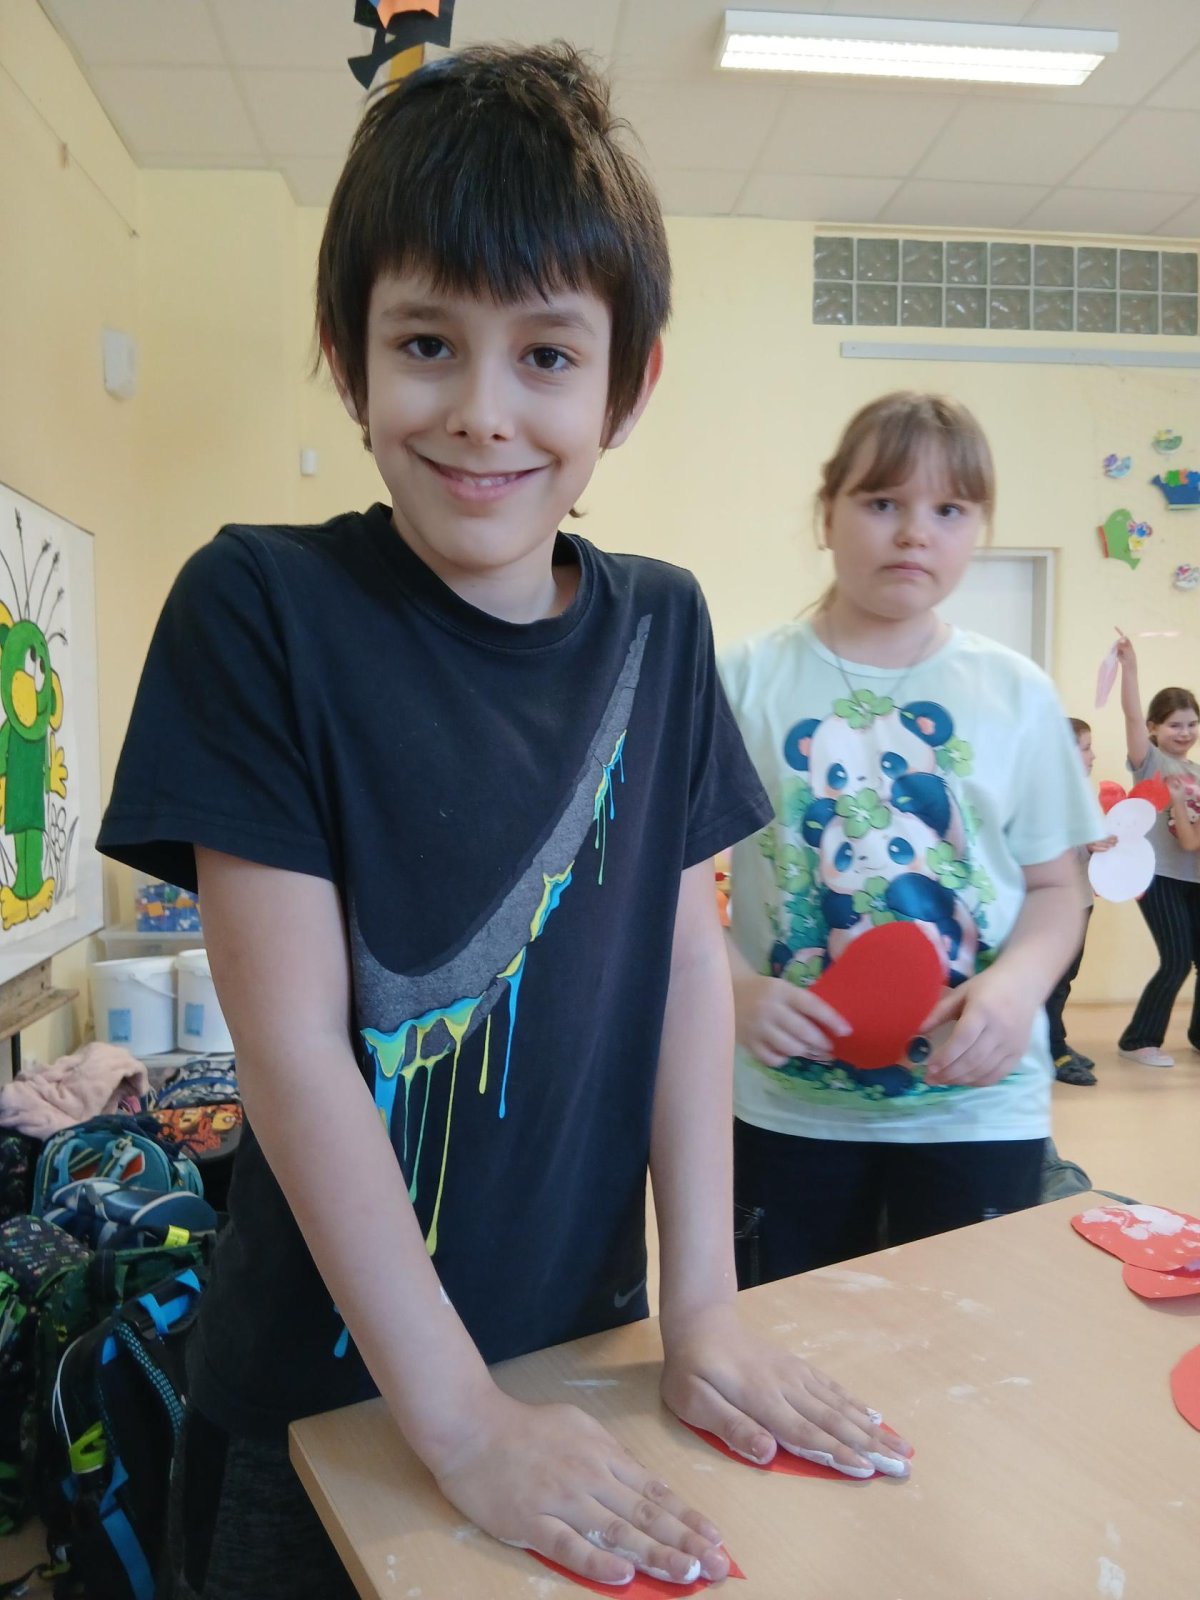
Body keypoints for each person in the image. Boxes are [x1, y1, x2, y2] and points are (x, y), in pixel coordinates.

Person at [96, 46, 908, 1600]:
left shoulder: (662, 628)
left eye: (546, 354)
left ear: (627, 385)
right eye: (426, 343)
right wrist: (461, 1423)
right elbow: (291, 1049)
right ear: (347, 359)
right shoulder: (259, 607)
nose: (482, 413)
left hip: (583, 1365)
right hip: (328, 1409)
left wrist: (706, 1311)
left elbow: (685, 965)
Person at [720, 391, 1101, 1285]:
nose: (914, 533)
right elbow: (671, 884)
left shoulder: (1017, 693)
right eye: (882, 501)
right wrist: (734, 990)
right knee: (792, 1337)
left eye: (949, 510)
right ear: (827, 513)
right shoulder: (742, 680)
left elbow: (1059, 889)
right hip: (789, 1111)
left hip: (978, 1110)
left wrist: (1016, 988)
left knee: (963, 1340)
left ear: (979, 528)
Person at [1115, 634, 1200, 1067]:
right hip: (1158, 875)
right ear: (1154, 728)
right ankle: (1139, 1041)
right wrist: (1130, 668)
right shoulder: (1150, 761)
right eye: (1174, 725)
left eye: (1191, 724)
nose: (1184, 733)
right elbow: (1131, 714)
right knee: (1176, 960)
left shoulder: (1197, 771)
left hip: (1195, 877)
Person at [1046, 718, 1116, 1086]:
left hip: (1081, 898)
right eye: (1086, 748)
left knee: (1066, 977)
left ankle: (1056, 1040)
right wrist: (1085, 844)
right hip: (1056, 905)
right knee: (1053, 981)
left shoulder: (1080, 794)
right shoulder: (1047, 797)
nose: (1093, 756)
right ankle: (1052, 1050)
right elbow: (1043, 852)